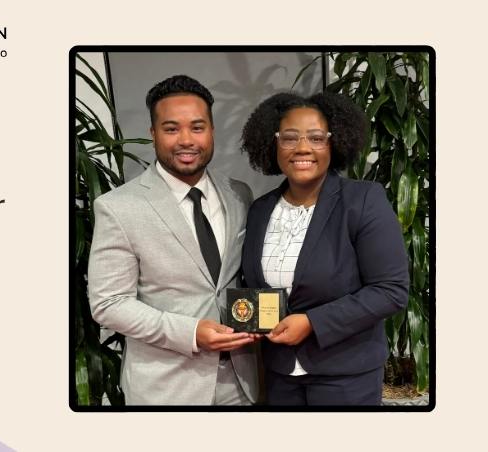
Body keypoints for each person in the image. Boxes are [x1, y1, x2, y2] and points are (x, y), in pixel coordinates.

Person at [88, 75, 259, 405]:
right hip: (166, 389)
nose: (186, 140)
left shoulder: (239, 193)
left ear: (211, 130)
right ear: (153, 134)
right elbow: (108, 304)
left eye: (197, 127)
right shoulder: (118, 207)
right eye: (171, 129)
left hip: (240, 384)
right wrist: (191, 332)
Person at [239, 92, 410, 405]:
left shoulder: (363, 200)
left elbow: (390, 290)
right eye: (289, 137)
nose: (303, 147)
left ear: (335, 142)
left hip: (346, 378)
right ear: (272, 143)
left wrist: (312, 323)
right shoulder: (260, 210)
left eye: (317, 137)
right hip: (280, 376)